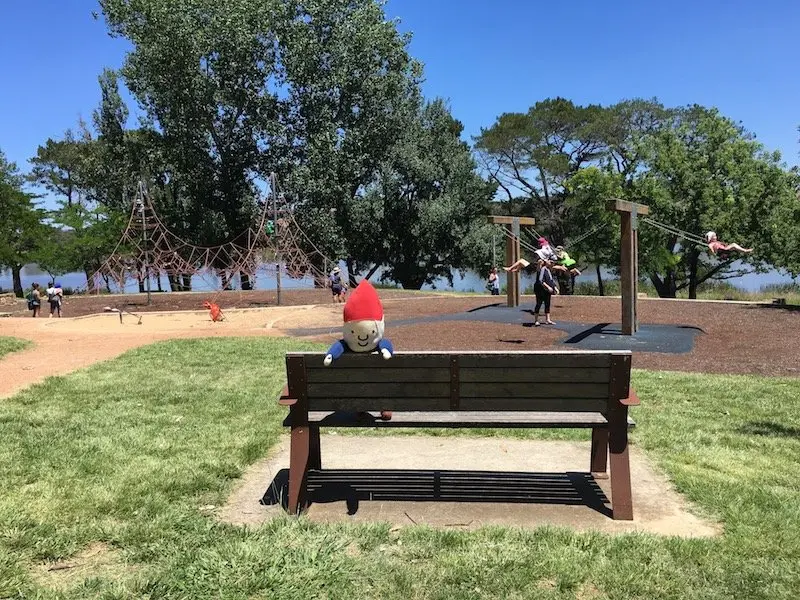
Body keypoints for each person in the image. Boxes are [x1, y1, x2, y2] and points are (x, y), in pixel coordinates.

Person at [532, 260, 558, 326]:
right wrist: (548, 287)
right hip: (540, 290)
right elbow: (541, 280)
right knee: (539, 304)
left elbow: (551, 280)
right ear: (546, 262)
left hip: (547, 291)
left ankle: (548, 320)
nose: (551, 263)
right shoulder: (543, 269)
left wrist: (555, 287)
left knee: (547, 304)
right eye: (550, 262)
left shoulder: (548, 270)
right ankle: (536, 320)